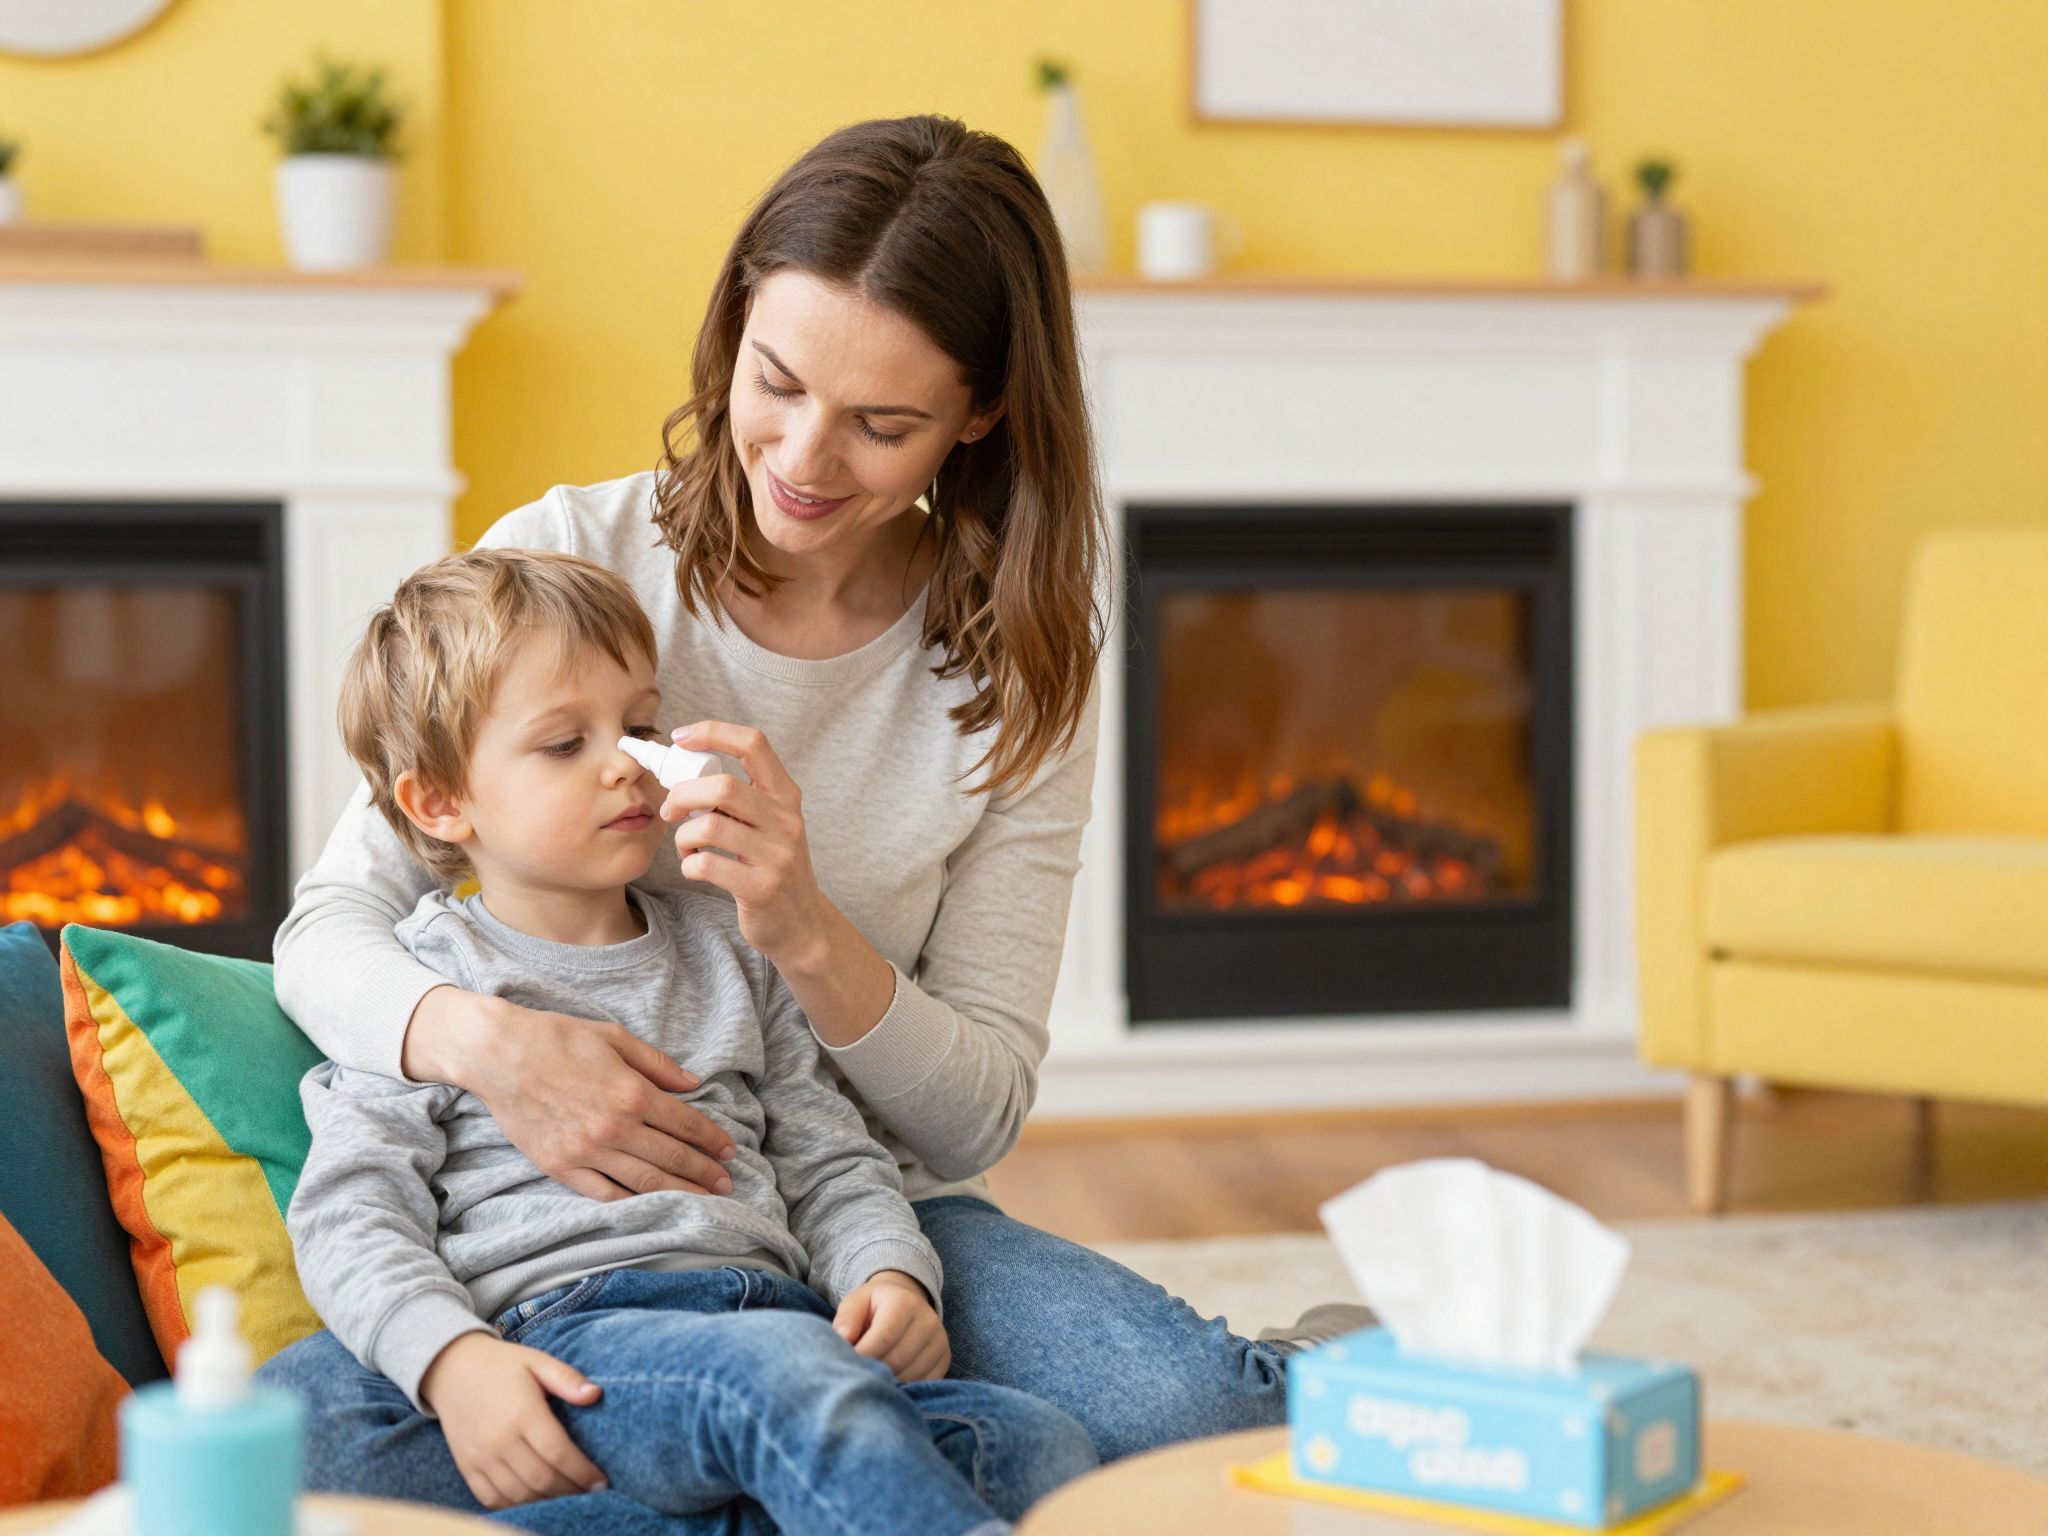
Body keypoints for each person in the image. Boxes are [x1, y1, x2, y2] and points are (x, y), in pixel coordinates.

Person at [266, 113, 1355, 1534]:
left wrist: (801, 929)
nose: (801, 455)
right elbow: (327, 931)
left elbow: (971, 1115)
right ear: (733, 332)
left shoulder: (1020, 664)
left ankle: (1322, 1370)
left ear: (979, 415)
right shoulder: (567, 571)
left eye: (882, 426)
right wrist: (497, 1050)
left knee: (1188, 1416)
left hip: (838, 1220)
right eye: (774, 384)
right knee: (301, 1424)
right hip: (549, 1262)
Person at [273, 545, 1094, 1535]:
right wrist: (454, 1362)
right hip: (576, 1335)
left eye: (639, 725)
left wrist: (886, 1272)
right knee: (303, 1417)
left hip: (780, 1320)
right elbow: (351, 1213)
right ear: (441, 802)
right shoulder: (422, 986)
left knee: (1037, 1443)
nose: (625, 761)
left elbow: (829, 1156)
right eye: (563, 744)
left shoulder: (733, 948)